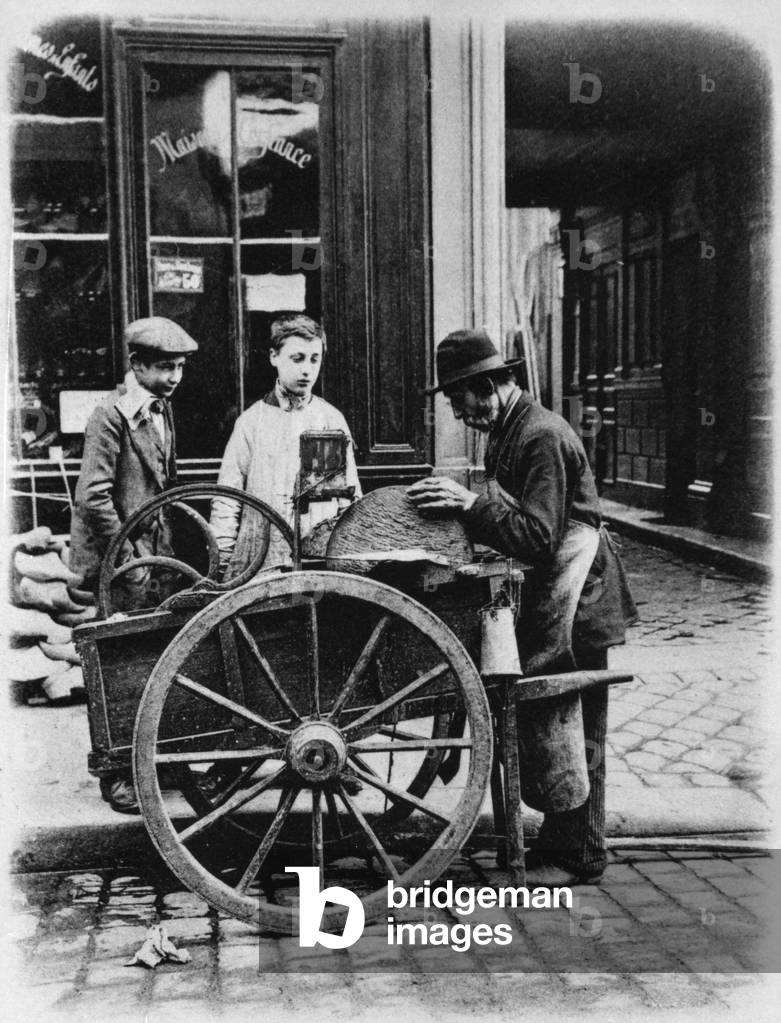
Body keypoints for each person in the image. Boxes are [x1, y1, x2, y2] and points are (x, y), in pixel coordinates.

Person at [407, 328, 636, 886]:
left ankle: (581, 853)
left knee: (575, 723)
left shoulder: (541, 436)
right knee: (549, 717)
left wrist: (468, 504)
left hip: (579, 597)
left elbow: (537, 535)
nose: (460, 415)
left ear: (484, 387)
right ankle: (562, 842)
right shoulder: (507, 429)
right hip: (553, 590)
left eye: (459, 402)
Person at [70, 316, 198, 812]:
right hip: (117, 561)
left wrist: (160, 558)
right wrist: (127, 560)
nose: (174, 377)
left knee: (158, 659)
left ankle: (156, 760)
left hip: (155, 555)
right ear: (136, 364)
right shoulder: (111, 415)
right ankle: (117, 774)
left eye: (180, 367)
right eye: (164, 367)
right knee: (118, 666)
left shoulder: (161, 409)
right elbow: (95, 498)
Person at [210, 314, 361, 577]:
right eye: (297, 358)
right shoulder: (251, 423)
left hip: (318, 562)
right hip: (260, 562)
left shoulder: (330, 420)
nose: (306, 370)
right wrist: (221, 566)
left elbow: (349, 500)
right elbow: (227, 500)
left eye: (315, 359)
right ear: (274, 357)